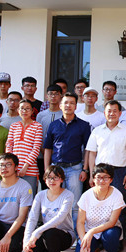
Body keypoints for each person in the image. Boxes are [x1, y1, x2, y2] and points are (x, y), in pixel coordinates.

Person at [44, 93, 92, 224]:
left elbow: (88, 149)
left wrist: (85, 169)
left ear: (76, 106)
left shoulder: (83, 125)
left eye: (71, 103)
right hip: (56, 169)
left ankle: (75, 232)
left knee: (75, 204)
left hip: (75, 169)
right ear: (60, 105)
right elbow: (48, 148)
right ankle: (58, 230)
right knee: (57, 202)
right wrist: (47, 170)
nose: (68, 105)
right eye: (65, 102)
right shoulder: (53, 125)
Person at [22, 165, 75, 252]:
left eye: (56, 177)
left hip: (65, 235)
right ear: (45, 180)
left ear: (61, 179)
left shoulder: (68, 195)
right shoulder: (40, 195)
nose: (52, 181)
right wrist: (26, 241)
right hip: (46, 234)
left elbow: (59, 218)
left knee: (50, 232)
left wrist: (36, 232)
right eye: (49, 178)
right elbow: (32, 218)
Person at [86, 100, 126, 218]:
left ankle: (119, 228)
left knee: (119, 203)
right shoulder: (97, 131)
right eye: (109, 111)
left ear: (120, 113)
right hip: (100, 172)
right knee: (100, 201)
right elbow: (92, 154)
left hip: (119, 172)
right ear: (104, 113)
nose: (112, 114)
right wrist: (92, 175)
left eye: (115, 111)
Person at [75, 164, 125, 252]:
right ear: (93, 178)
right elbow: (80, 222)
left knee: (111, 235)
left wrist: (91, 232)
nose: (102, 181)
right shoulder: (86, 196)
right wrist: (84, 240)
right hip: (90, 229)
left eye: (105, 177)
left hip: (109, 228)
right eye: (98, 177)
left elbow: (112, 222)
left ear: (111, 179)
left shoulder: (117, 195)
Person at [5, 99, 43, 195]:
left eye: (27, 109)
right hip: (14, 169)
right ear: (18, 110)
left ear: (32, 111)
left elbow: (36, 148)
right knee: (14, 197)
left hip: (30, 170)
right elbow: (9, 145)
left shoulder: (37, 126)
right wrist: (11, 165)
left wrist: (25, 167)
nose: (24, 111)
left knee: (29, 196)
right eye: (22, 108)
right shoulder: (14, 126)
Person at [36, 84, 63, 190]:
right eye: (51, 94)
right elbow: (38, 135)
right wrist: (43, 150)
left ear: (61, 96)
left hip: (58, 156)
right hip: (41, 155)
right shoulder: (41, 115)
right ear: (46, 96)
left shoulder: (63, 114)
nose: (53, 96)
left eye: (56, 94)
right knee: (45, 182)